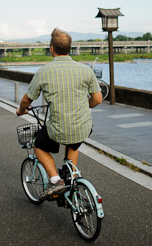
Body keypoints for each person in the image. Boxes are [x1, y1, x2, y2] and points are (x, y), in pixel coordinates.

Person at [16, 28, 103, 199]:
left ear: (52, 49)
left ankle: (55, 180)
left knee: (38, 144)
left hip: (58, 128)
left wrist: (21, 110)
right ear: (69, 48)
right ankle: (71, 179)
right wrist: (86, 105)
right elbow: (98, 99)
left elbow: (27, 100)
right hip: (83, 126)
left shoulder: (44, 72)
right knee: (74, 141)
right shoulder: (85, 70)